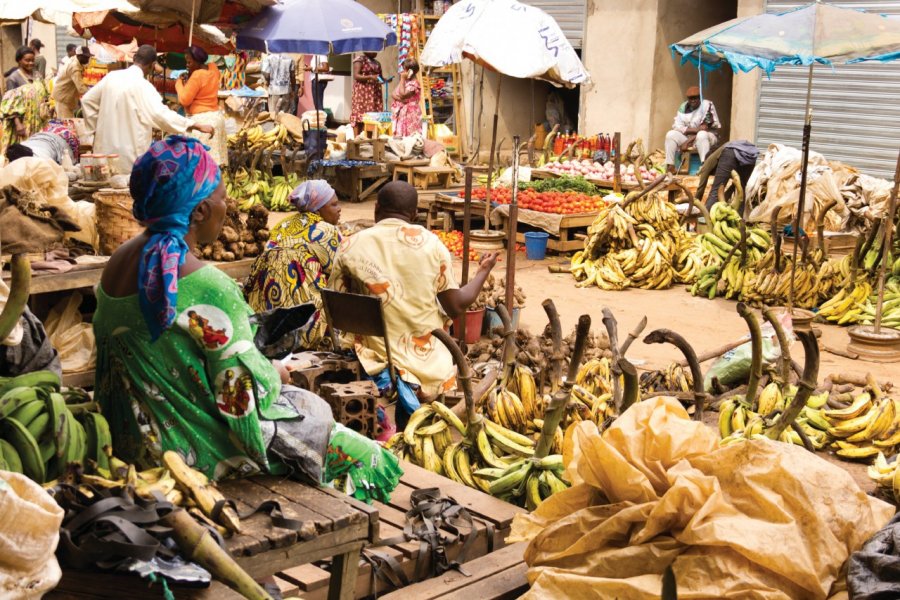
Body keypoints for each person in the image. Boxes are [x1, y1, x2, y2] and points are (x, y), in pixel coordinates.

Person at [92, 136, 401, 500]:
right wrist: (274, 373)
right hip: (194, 453)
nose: (229, 205)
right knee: (376, 461)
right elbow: (242, 406)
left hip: (133, 442)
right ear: (201, 211)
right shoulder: (208, 286)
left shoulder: (115, 265)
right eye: (223, 198)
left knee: (311, 410)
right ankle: (336, 520)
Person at [328, 181, 498, 428]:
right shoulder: (433, 245)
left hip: (369, 355)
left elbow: (336, 306)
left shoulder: (350, 244)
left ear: (376, 209)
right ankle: (419, 419)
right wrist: (483, 271)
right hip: (423, 362)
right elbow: (456, 307)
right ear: (415, 215)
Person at [81, 44, 214, 174]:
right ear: (152, 65)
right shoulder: (144, 86)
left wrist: (94, 131)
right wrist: (194, 125)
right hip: (129, 158)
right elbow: (160, 114)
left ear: (134, 59)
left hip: (104, 153)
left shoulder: (111, 77)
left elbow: (87, 100)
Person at [245, 180, 342, 349]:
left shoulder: (281, 225)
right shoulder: (325, 230)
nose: (339, 209)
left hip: (267, 320)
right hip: (304, 325)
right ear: (318, 209)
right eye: (334, 205)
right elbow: (339, 268)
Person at [176, 45, 227, 165]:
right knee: (213, 164)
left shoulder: (197, 75)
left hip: (201, 122)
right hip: (216, 118)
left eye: (189, 62)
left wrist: (178, 83)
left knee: (198, 165)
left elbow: (184, 100)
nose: (187, 65)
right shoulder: (213, 68)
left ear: (197, 61)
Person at [665, 85, 720, 174]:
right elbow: (677, 126)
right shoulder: (683, 107)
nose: (693, 100)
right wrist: (695, 130)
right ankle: (670, 166)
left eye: (695, 98)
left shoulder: (707, 105)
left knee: (701, 134)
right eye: (690, 98)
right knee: (670, 134)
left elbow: (705, 128)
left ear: (700, 97)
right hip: (690, 137)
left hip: (708, 137)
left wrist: (687, 141)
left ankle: (704, 166)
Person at [0, 57, 49, 155]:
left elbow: (45, 94)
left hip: (37, 122)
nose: (30, 63)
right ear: (19, 61)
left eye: (32, 60)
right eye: (27, 60)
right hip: (22, 123)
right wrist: (18, 124)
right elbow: (10, 105)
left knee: (36, 150)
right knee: (21, 151)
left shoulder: (37, 76)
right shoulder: (14, 78)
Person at [696, 140, 760, 210]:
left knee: (716, 190)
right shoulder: (720, 156)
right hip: (751, 156)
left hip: (732, 152)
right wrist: (724, 203)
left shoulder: (707, 162)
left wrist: (695, 204)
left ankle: (705, 219)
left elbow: (701, 188)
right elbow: (734, 187)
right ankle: (739, 218)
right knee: (741, 190)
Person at [51, 45, 90, 118]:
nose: (88, 59)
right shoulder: (74, 67)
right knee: (67, 123)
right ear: (79, 56)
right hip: (63, 98)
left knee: (68, 121)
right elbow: (81, 88)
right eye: (86, 57)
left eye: (88, 57)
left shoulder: (75, 60)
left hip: (65, 97)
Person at [350, 52, 383, 134]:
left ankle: (369, 138)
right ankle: (357, 139)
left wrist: (385, 80)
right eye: (374, 50)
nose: (376, 52)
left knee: (372, 116)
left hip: (374, 93)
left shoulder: (377, 63)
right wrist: (370, 77)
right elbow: (356, 76)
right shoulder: (360, 60)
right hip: (362, 92)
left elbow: (380, 77)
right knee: (360, 115)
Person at [391, 58, 422, 138]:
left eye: (404, 70)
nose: (402, 72)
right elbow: (393, 94)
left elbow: (403, 94)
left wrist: (402, 78)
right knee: (401, 136)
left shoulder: (414, 84)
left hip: (411, 114)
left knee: (410, 137)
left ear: (410, 71)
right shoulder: (405, 82)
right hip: (402, 113)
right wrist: (401, 100)